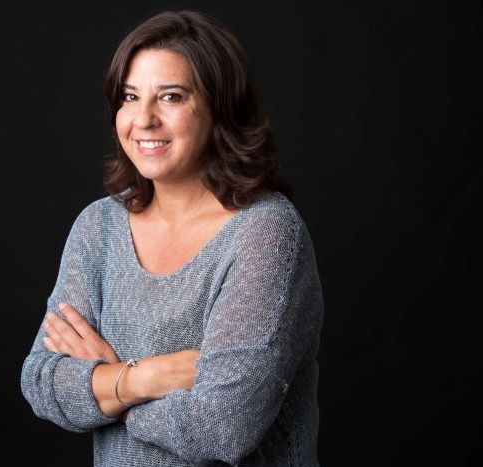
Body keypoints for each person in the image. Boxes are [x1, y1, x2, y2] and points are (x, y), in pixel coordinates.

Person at [20, 9, 324, 466]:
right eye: (130, 96)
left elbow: (224, 427)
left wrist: (108, 388)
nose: (144, 119)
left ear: (219, 107)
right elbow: (42, 381)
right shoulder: (97, 228)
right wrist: (146, 377)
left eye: (171, 97)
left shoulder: (266, 236)